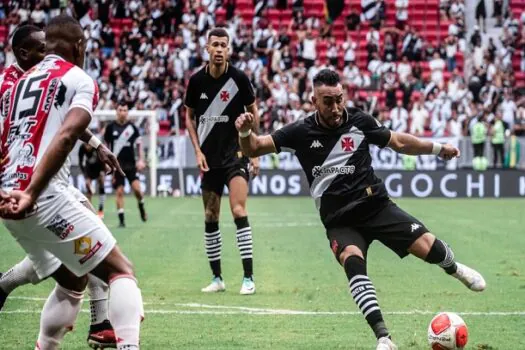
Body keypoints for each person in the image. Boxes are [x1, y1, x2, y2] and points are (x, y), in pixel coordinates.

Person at [235, 69, 485, 350]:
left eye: (339, 98)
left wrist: (438, 148)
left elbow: (399, 142)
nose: (336, 107)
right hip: (340, 220)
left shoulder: (358, 121)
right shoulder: (300, 132)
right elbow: (254, 148)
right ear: (314, 101)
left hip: (376, 206)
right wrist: (245, 130)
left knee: (429, 247)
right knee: (352, 263)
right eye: (327, 101)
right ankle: (384, 338)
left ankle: (455, 269)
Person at [0, 15, 143, 350]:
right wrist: (31, 192)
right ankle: (119, 337)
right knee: (121, 270)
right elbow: (65, 136)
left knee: (72, 280)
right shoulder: (78, 78)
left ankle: (64, 336)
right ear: (79, 46)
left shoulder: (16, 84)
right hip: (43, 196)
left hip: (9, 201)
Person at [184, 27, 260, 295]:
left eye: (223, 45)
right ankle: (217, 278)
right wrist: (197, 151)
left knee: (238, 210)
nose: (218, 49)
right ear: (207, 48)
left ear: (228, 49)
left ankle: (248, 278)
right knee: (210, 214)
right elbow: (188, 117)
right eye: (214, 45)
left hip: (235, 156)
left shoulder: (238, 78)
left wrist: (255, 147)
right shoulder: (196, 81)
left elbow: (253, 111)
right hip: (209, 160)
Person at [103, 102, 147, 227]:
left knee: (137, 190)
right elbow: (106, 146)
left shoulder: (132, 128)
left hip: (131, 165)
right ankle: (121, 221)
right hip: (117, 165)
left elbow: (139, 145)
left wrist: (141, 160)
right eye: (121, 110)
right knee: (119, 192)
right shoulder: (110, 128)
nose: (123, 112)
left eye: (125, 110)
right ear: (117, 111)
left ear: (127, 112)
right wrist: (107, 163)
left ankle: (141, 205)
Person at [78, 142, 106, 218]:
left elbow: (103, 159)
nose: (87, 147)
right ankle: (89, 212)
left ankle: (101, 210)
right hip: (89, 169)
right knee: (88, 189)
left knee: (102, 186)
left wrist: (103, 171)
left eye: (88, 145)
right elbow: (80, 162)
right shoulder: (82, 147)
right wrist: (85, 176)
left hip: (99, 168)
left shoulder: (96, 145)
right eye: (85, 145)